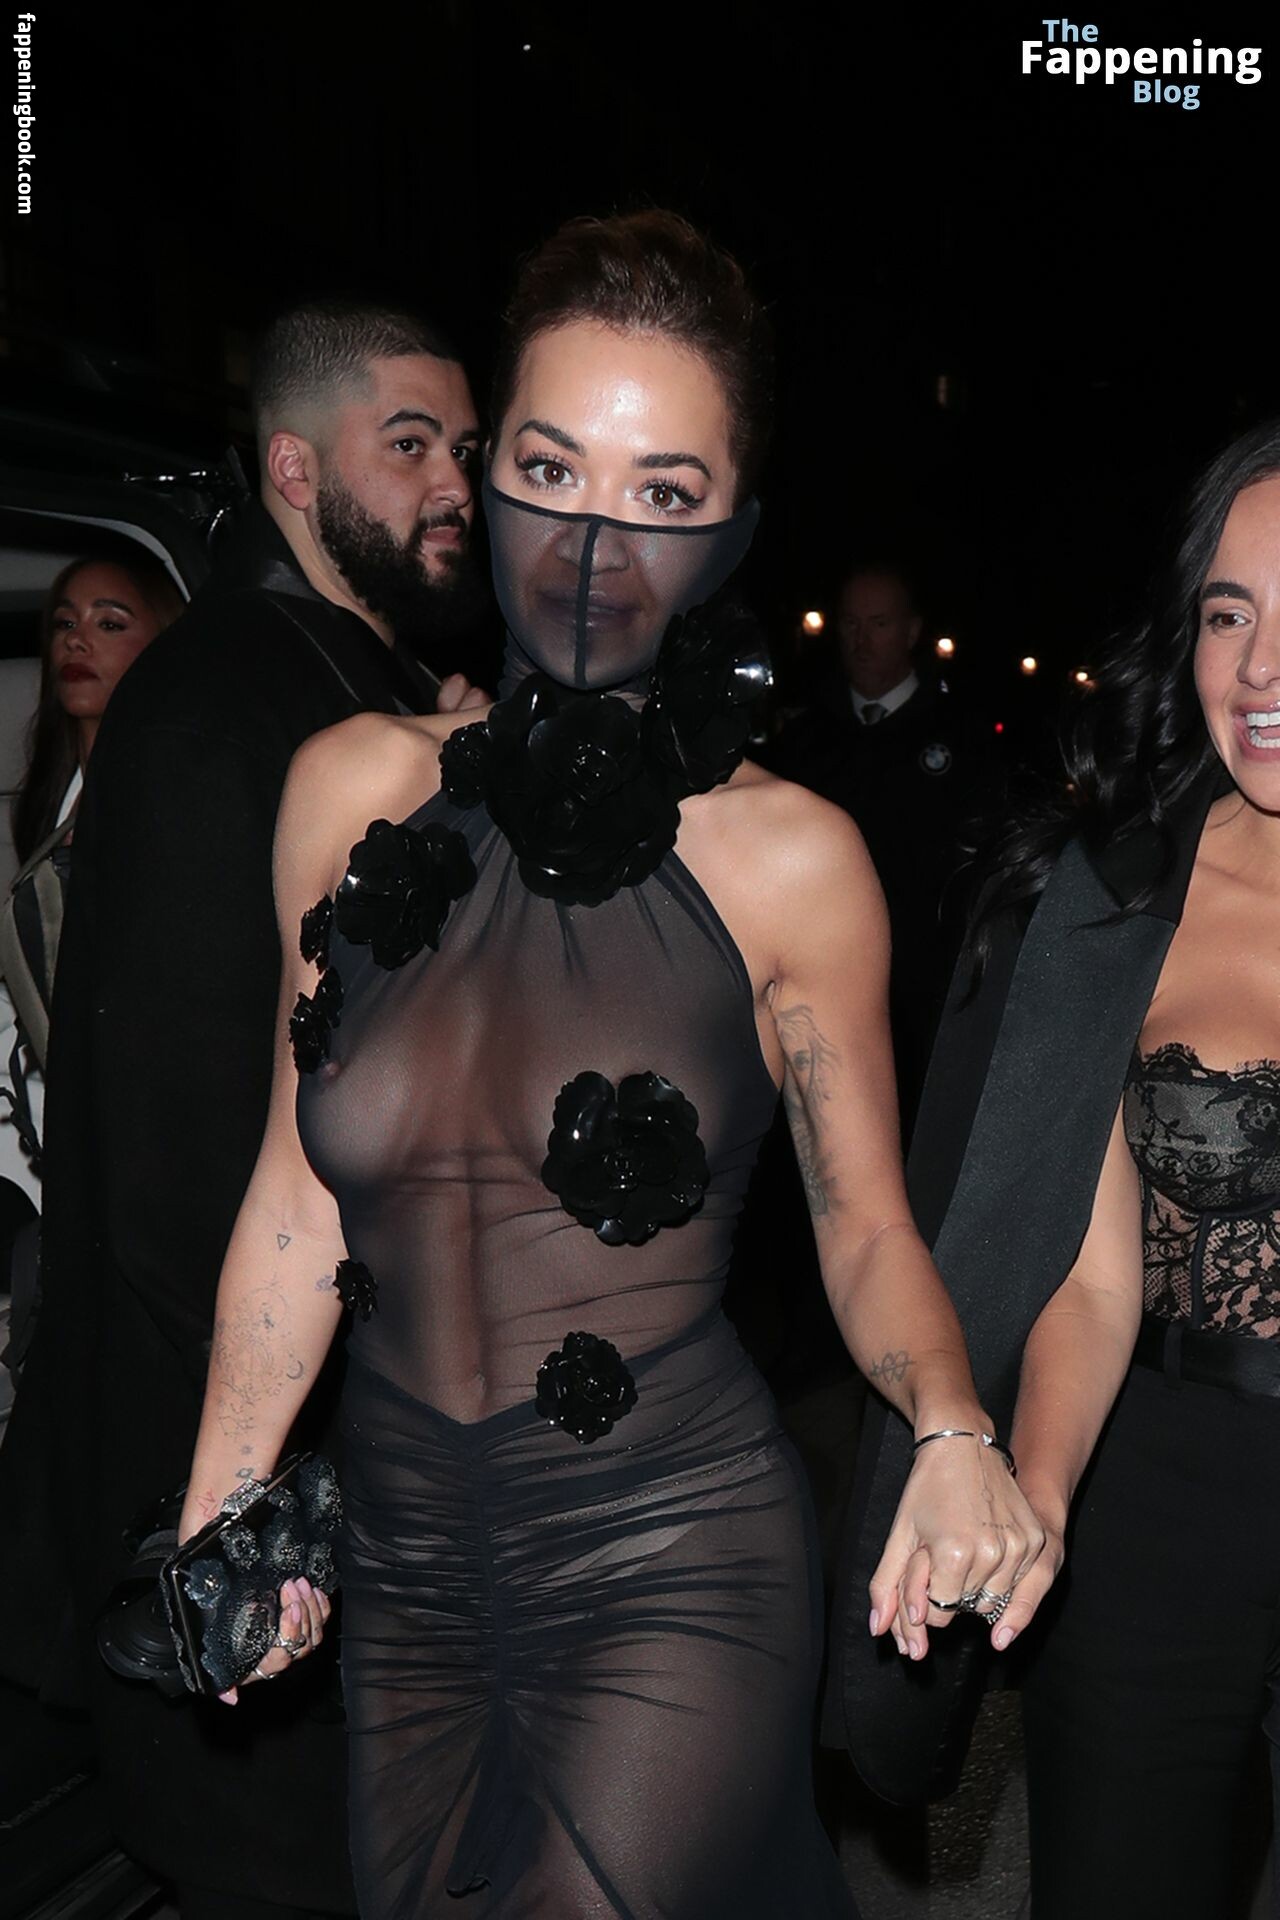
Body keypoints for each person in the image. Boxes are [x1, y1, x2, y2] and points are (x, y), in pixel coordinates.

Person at [181, 211, 1049, 1919]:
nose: (591, 542)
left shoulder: (794, 859)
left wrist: (952, 1422)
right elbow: (297, 1196)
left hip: (672, 1551)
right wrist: (227, 1503)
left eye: (661, 493)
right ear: (484, 476)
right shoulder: (343, 788)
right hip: (405, 1557)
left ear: (732, 536)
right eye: (552, 468)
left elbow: (868, 1227)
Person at [0, 299, 486, 1920]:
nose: (455, 484)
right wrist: (245, 1510)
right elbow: (181, 1154)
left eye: (464, 448)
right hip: (252, 1463)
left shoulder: (357, 684)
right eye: (408, 445)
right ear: (292, 469)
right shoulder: (223, 700)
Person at [828, 419, 1280, 1917]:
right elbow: (1089, 1279)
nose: (1260, 671)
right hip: (1164, 1495)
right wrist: (1036, 1496)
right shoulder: (1116, 898)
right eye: (1228, 615)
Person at [768, 563, 998, 1125]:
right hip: (813, 992)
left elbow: (985, 873)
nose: (861, 640)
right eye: (850, 623)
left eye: (878, 624)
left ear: (911, 631)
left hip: (921, 998)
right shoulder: (803, 739)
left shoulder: (962, 739)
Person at [0, 546, 184, 1201]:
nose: (77, 639)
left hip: (138, 1134)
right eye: (64, 623)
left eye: (109, 623)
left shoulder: (170, 798)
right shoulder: (57, 799)